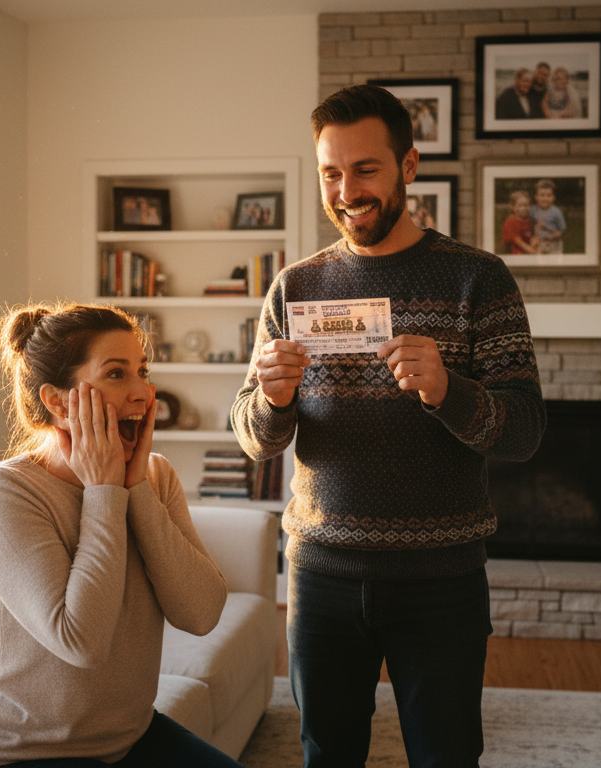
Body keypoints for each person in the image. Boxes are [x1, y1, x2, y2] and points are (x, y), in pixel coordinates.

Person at [231, 84, 546, 768]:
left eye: (366, 169)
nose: (347, 191)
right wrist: (273, 399)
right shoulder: (294, 287)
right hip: (320, 577)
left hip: (442, 581)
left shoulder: (478, 280)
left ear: (409, 165)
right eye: (331, 173)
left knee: (448, 755)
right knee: (327, 754)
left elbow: (524, 430)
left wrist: (448, 391)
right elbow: (254, 435)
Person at [0, 301, 238, 768]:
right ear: (58, 401)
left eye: (142, 371)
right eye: (116, 374)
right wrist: (105, 491)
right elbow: (80, 642)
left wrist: (136, 486)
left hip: (129, 737)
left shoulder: (155, 476)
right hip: (21, 754)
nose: (145, 393)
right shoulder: (1, 493)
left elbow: (202, 613)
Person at [529, 178, 566, 254]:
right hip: (538, 242)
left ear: (553, 197)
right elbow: (529, 224)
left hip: (553, 243)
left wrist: (553, 236)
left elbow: (561, 229)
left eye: (549, 195)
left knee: (554, 263)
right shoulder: (533, 210)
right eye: (542, 195)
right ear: (536, 197)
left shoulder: (556, 212)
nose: (545, 198)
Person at [501, 189, 537, 254]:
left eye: (526, 205)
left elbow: (532, 235)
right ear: (513, 207)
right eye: (521, 206)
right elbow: (519, 242)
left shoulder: (529, 220)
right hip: (516, 253)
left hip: (527, 250)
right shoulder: (510, 222)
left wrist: (534, 240)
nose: (524, 208)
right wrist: (533, 251)